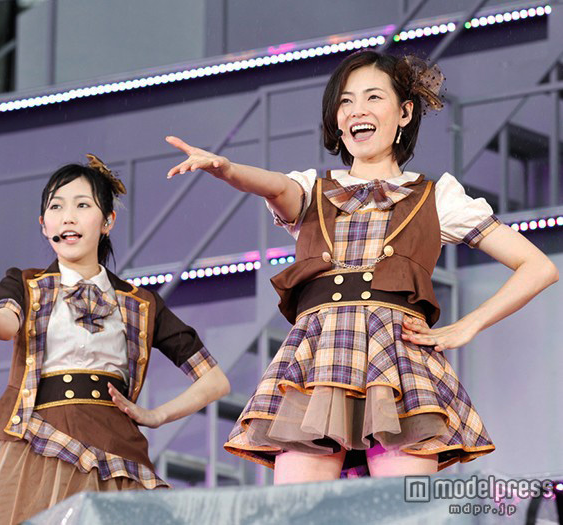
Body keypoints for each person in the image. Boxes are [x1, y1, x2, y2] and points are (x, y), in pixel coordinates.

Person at [165, 50, 558, 481]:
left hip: (398, 364)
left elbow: (537, 267)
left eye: (373, 97)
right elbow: (275, 187)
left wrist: (466, 327)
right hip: (317, 363)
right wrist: (227, 169)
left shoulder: (435, 197)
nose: (357, 111)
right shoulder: (313, 191)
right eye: (346, 101)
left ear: (404, 112)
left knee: (396, 508)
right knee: (300, 508)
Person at [0, 155, 230, 524]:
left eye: (82, 205)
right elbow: (3, 326)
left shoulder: (140, 303)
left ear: (108, 221)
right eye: (56, 207)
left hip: (116, 447)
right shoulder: (26, 283)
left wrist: (157, 415)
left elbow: (215, 381)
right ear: (43, 225)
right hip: (40, 443)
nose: (68, 217)